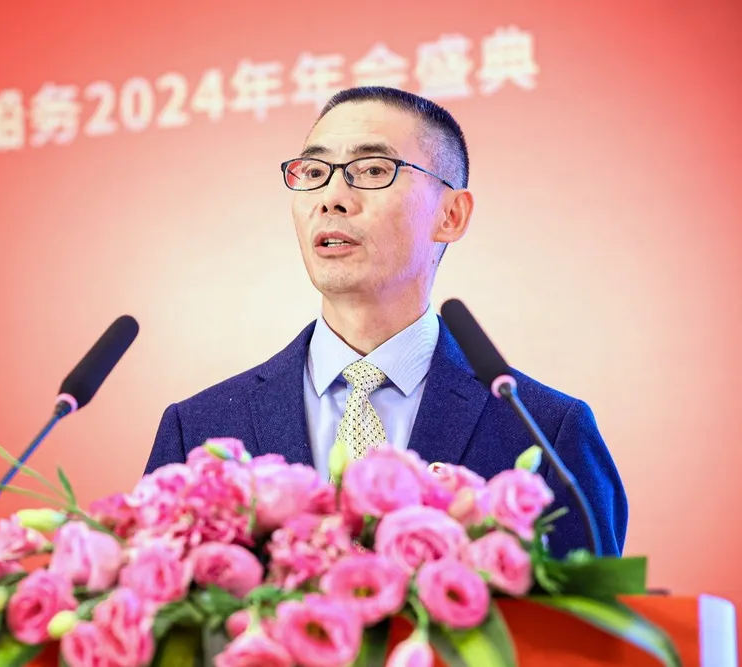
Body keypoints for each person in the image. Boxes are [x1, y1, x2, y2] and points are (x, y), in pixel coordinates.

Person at [143, 86, 628, 559]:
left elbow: (589, 614)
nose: (331, 198)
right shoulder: (200, 430)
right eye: (314, 172)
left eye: (372, 169)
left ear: (451, 215)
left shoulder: (546, 433)